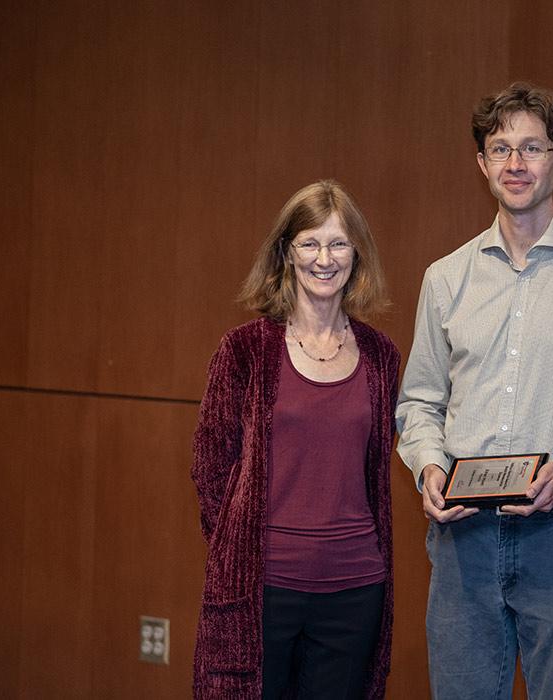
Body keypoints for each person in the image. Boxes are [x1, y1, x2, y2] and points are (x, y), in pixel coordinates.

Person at [395, 82, 553, 699]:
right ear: (481, 163)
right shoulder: (445, 277)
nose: (515, 164)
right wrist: (429, 466)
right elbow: (419, 402)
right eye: (500, 148)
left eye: (532, 148)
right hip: (461, 541)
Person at [190, 180, 400, 699]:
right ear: (286, 252)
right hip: (261, 590)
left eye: (338, 243)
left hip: (355, 591)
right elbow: (210, 465)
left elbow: (383, 465)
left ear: (357, 253)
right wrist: (239, 549)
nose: (324, 258)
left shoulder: (381, 356)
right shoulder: (245, 350)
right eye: (309, 243)